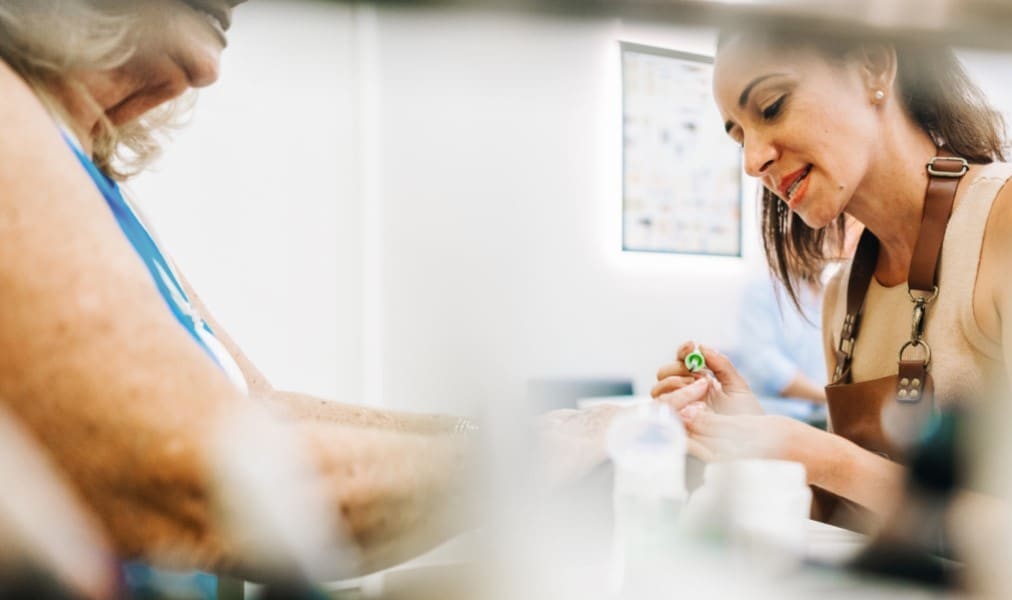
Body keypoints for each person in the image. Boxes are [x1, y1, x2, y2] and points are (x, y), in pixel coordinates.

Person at [0, 0, 614, 587]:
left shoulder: (88, 174)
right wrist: (534, 455)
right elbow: (198, 475)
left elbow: (258, 411)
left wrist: (533, 430)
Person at [651, 28, 1012, 528]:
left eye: (771, 106)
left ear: (873, 67)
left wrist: (829, 458)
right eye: (739, 136)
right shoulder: (842, 297)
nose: (752, 161)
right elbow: (853, 521)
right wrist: (757, 439)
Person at [732, 274, 826, 403]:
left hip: (820, 408)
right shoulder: (762, 290)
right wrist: (827, 396)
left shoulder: (828, 294)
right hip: (772, 407)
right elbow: (764, 361)